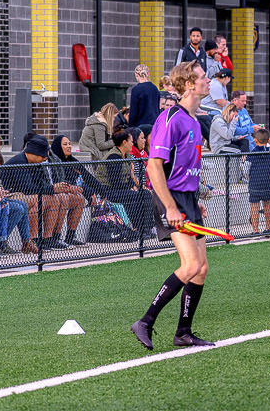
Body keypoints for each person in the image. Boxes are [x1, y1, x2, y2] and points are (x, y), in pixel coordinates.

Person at [132, 59, 216, 350]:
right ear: (189, 84)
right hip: (169, 197)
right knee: (191, 264)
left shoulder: (194, 121)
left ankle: (183, 333)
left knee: (201, 268)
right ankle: (145, 321)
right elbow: (154, 167)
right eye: (203, 77)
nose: (208, 81)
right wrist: (170, 207)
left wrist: (195, 201)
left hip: (188, 197)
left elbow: (187, 166)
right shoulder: (170, 119)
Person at [102, 131, 154, 235]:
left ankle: (146, 228)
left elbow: (128, 178)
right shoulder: (113, 157)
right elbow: (115, 182)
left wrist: (134, 186)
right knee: (134, 196)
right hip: (108, 191)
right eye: (131, 141)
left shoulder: (126, 156)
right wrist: (131, 188)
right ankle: (137, 228)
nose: (132, 143)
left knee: (146, 194)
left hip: (121, 189)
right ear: (124, 142)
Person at [246, 129, 270, 236]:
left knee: (254, 207)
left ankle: (255, 230)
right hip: (269, 183)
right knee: (268, 205)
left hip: (255, 183)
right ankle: (268, 228)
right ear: (269, 140)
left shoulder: (252, 153)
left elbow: (245, 169)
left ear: (255, 140)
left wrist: (248, 178)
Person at [128, 64, 161, 130]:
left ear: (136, 75)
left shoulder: (136, 89)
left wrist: (130, 126)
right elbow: (157, 108)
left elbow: (133, 111)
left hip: (141, 126)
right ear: (148, 74)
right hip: (154, 124)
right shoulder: (154, 88)